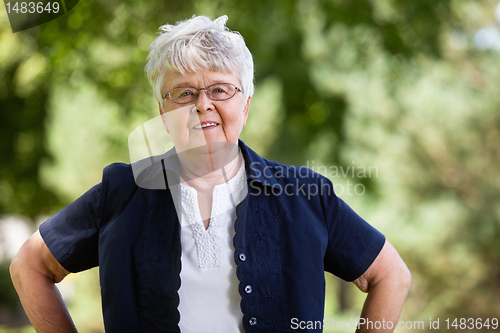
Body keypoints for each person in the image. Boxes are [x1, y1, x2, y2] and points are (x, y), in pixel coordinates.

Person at [10, 15, 411, 333]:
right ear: (164, 112)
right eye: (184, 93)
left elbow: (390, 274)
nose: (203, 105)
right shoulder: (121, 192)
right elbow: (29, 265)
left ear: (246, 105)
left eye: (220, 90)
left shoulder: (305, 195)